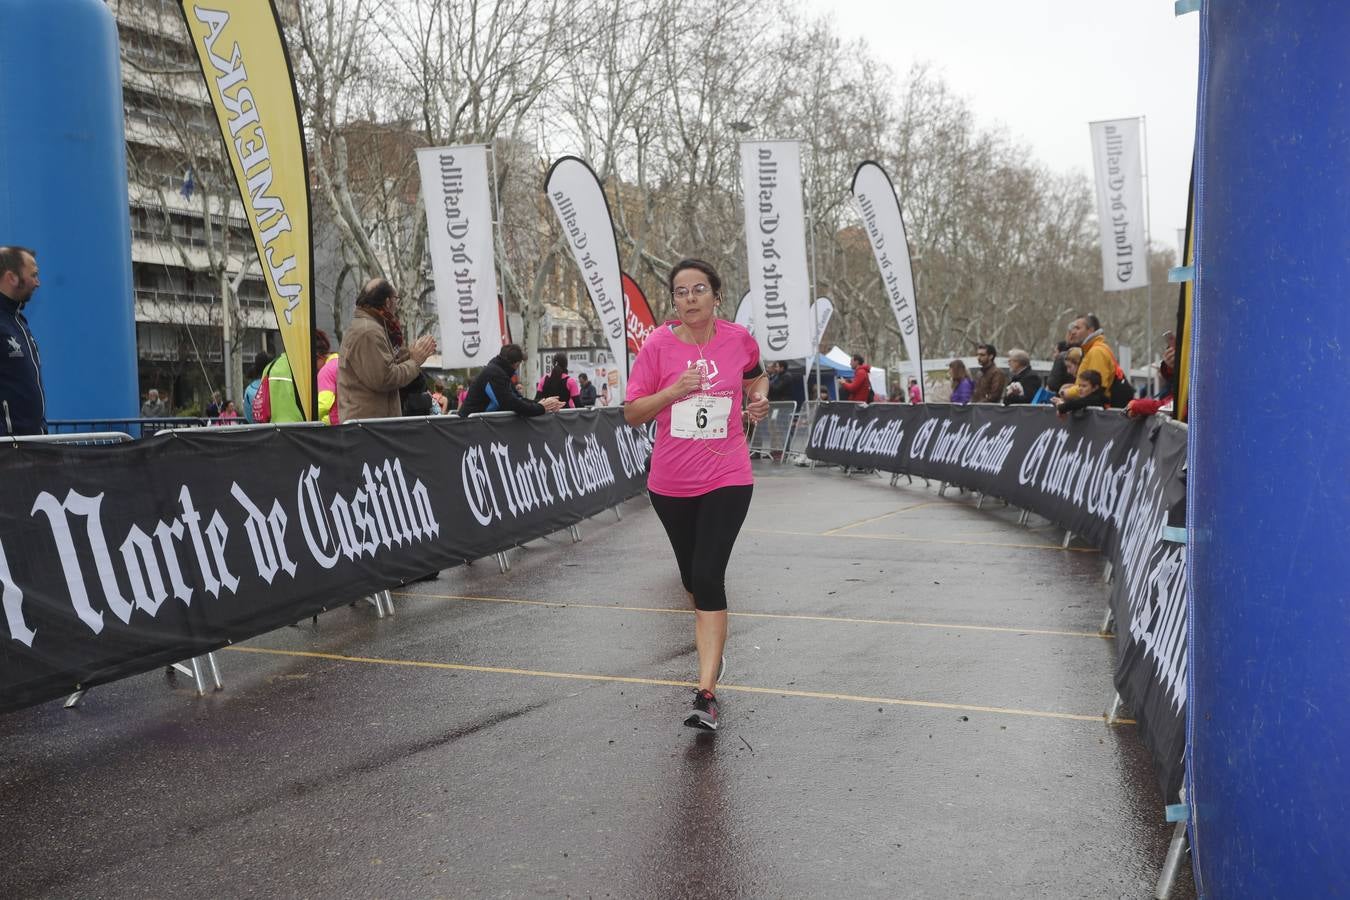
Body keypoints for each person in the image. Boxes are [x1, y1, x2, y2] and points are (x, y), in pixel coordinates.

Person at [624, 258, 769, 732]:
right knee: (691, 577)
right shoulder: (657, 346)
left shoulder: (737, 339)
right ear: (674, 301)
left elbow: (756, 373)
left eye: (699, 289)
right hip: (671, 484)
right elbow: (632, 413)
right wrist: (672, 392)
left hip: (728, 475)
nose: (690, 298)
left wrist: (758, 399)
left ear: (716, 296)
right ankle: (713, 652)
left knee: (709, 575)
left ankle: (706, 691)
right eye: (681, 291)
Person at [338, 278, 436, 421]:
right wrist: (415, 362)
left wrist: (410, 353)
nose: (397, 304)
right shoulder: (369, 332)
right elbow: (385, 378)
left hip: (371, 424)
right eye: (396, 298)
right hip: (369, 427)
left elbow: (385, 365)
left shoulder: (370, 326)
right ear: (388, 302)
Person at [0, 246, 45, 436]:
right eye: (33, 275)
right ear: (12, 277)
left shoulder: (19, 321)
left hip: (32, 445)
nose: (38, 283)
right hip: (9, 451)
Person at [458, 344, 563, 417]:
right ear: (514, 364)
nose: (516, 370)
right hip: (468, 425)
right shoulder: (494, 373)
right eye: (518, 365)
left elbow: (518, 398)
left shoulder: (500, 372)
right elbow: (510, 403)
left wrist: (539, 404)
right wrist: (540, 408)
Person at [1062, 315, 1119, 400]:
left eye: (1077, 328)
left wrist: (1066, 393)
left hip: (1097, 412)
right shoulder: (1092, 350)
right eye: (1073, 328)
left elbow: (1094, 389)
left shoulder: (1097, 352)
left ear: (1090, 330)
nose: (1073, 332)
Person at [316, 338, 340, 424]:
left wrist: (307, 417)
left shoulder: (326, 370)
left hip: (334, 425)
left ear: (319, 357)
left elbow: (323, 405)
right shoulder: (340, 362)